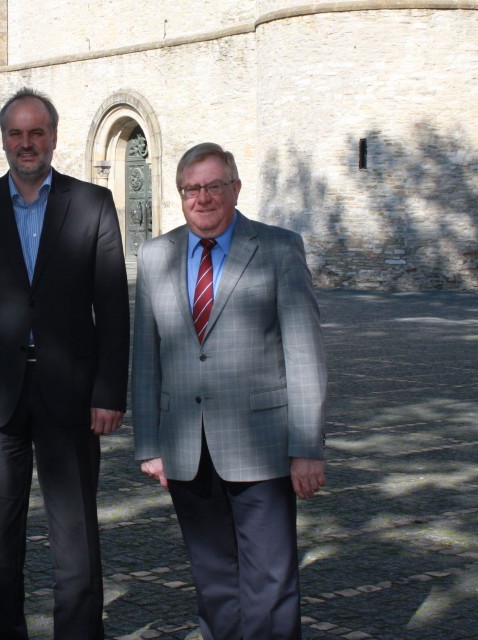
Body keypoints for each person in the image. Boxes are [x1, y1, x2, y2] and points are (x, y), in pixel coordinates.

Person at [0, 87, 130, 640]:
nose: (27, 143)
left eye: (36, 132)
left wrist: (110, 390)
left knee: (76, 540)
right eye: (17, 133)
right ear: (4, 140)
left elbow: (112, 306)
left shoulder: (92, 204)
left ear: (53, 138)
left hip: (72, 394)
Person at [132, 142, 327, 640]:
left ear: (235, 189)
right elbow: (146, 358)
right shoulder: (156, 256)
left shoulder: (279, 249)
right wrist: (149, 445)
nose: (203, 198)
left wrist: (306, 448)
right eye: (191, 189)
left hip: (263, 445)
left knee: (270, 580)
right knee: (213, 580)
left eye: (214, 186)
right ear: (180, 195)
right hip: (185, 448)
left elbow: (304, 353)